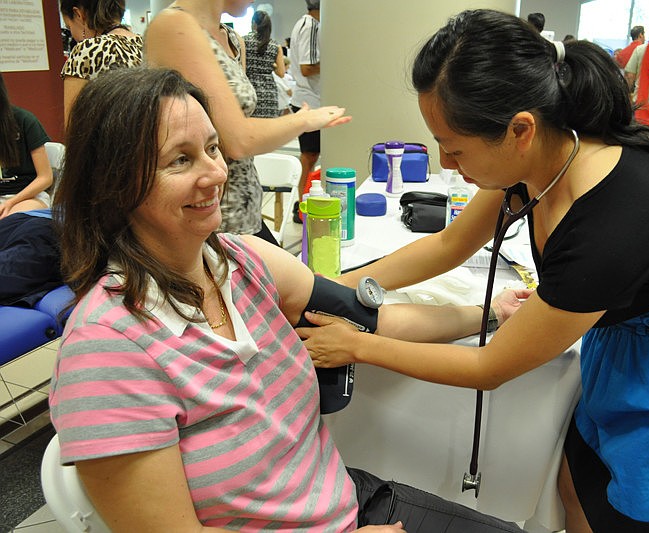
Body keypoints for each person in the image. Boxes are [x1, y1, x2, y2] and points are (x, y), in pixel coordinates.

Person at [301, 10, 649, 533]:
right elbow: (448, 245)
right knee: (578, 478)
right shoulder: (539, 159)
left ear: (520, 130)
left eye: (455, 148)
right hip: (636, 330)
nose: (446, 163)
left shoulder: (610, 223)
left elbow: (490, 367)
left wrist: (359, 347)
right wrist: (330, 286)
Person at [48, 66, 526, 533]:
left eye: (213, 148)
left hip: (348, 503)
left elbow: (374, 319)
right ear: (115, 183)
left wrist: (487, 314)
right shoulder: (107, 349)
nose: (215, 172)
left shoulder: (244, 261)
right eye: (180, 160)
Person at [144, 0, 349, 243]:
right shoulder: (174, 26)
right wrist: (303, 120)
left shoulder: (231, 39)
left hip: (242, 206)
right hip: (209, 214)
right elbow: (238, 140)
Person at [59, 0, 142, 126]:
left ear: (78, 14)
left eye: (69, 27)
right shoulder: (147, 44)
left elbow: (73, 126)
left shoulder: (86, 51)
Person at [288, 0, 323, 223]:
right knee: (309, 158)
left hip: (308, 99)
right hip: (309, 101)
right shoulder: (311, 25)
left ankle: (303, 205)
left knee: (310, 157)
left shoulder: (306, 23)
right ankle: (302, 207)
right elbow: (307, 67)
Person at [0, 74, 53, 218]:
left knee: (11, 221)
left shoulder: (24, 120)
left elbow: (45, 177)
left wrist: (11, 202)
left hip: (27, 196)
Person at [244, 9, 286, 119]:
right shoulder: (275, 46)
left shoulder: (244, 41)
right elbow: (281, 73)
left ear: (254, 23)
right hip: (269, 92)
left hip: (249, 90)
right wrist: (269, 65)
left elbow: (241, 67)